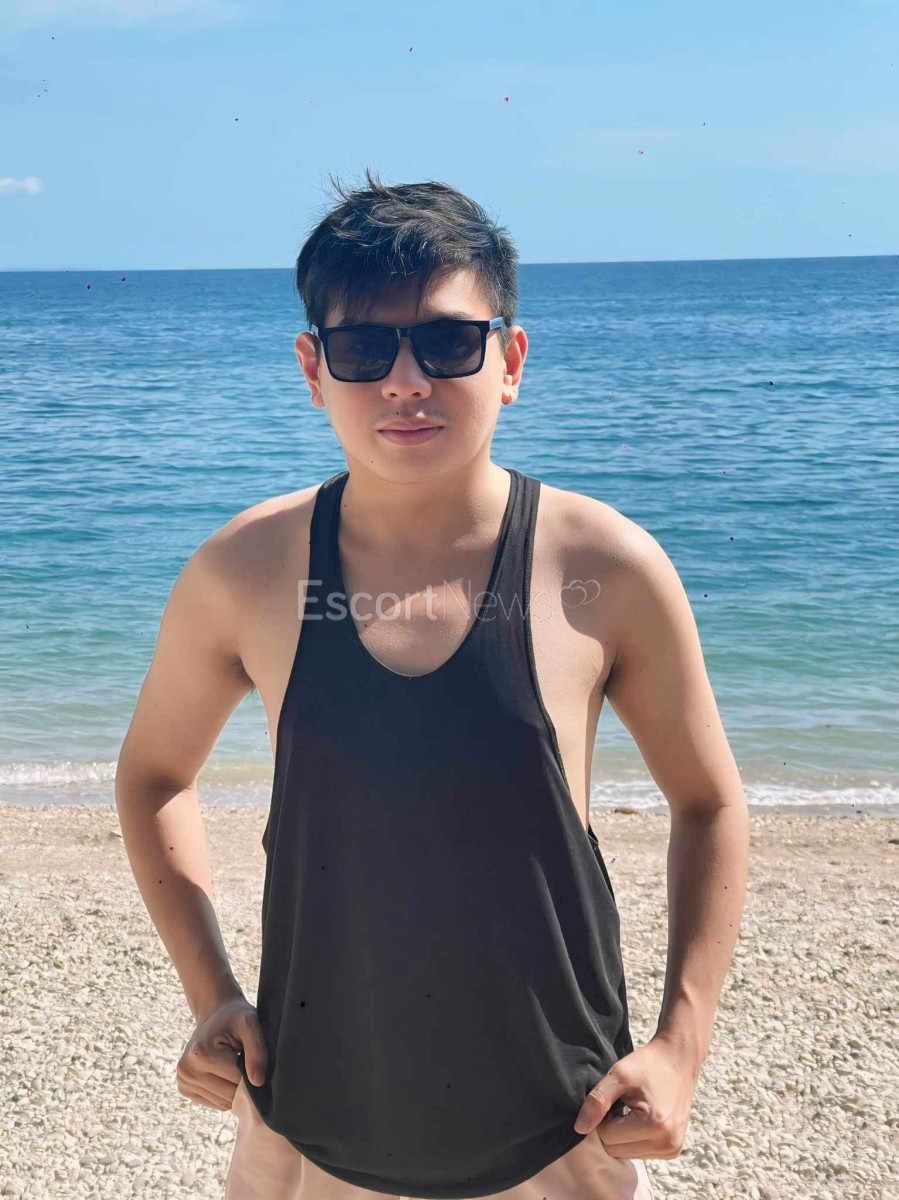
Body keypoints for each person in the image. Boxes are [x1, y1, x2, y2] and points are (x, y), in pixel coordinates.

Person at [115, 169, 749, 1200]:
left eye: (448, 344)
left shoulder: (604, 566)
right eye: (365, 350)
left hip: (560, 1128)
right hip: (307, 1124)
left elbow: (708, 800)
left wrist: (680, 1044)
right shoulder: (244, 570)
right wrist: (211, 992)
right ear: (313, 369)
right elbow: (152, 776)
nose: (405, 382)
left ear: (510, 361)